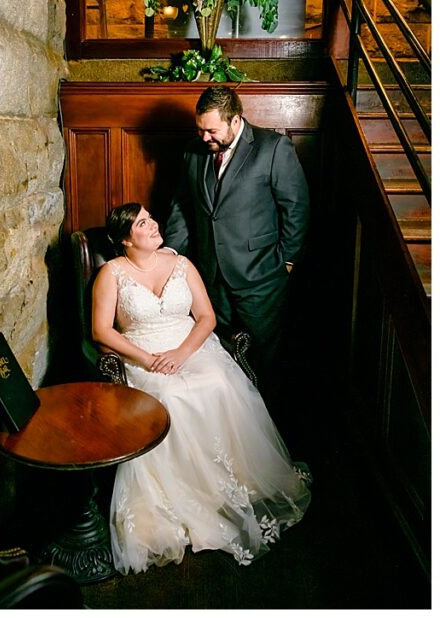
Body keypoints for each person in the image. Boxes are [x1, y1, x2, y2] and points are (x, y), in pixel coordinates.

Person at [92, 202, 310, 575]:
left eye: (151, 217)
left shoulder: (181, 263)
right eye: (143, 223)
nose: (154, 224)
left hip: (189, 346)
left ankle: (234, 480)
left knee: (219, 382)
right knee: (172, 396)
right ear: (126, 239)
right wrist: (147, 359)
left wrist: (182, 352)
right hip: (142, 353)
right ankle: (188, 495)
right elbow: (102, 332)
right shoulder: (111, 274)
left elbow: (206, 317)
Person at [161, 85, 309, 416]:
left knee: (264, 365)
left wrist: (285, 262)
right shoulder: (192, 152)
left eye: (212, 130)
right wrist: (170, 257)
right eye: (199, 129)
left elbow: (295, 208)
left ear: (235, 120)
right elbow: (182, 208)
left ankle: (270, 439)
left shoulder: (274, 149)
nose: (204, 137)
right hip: (211, 277)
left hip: (262, 278)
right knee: (221, 361)